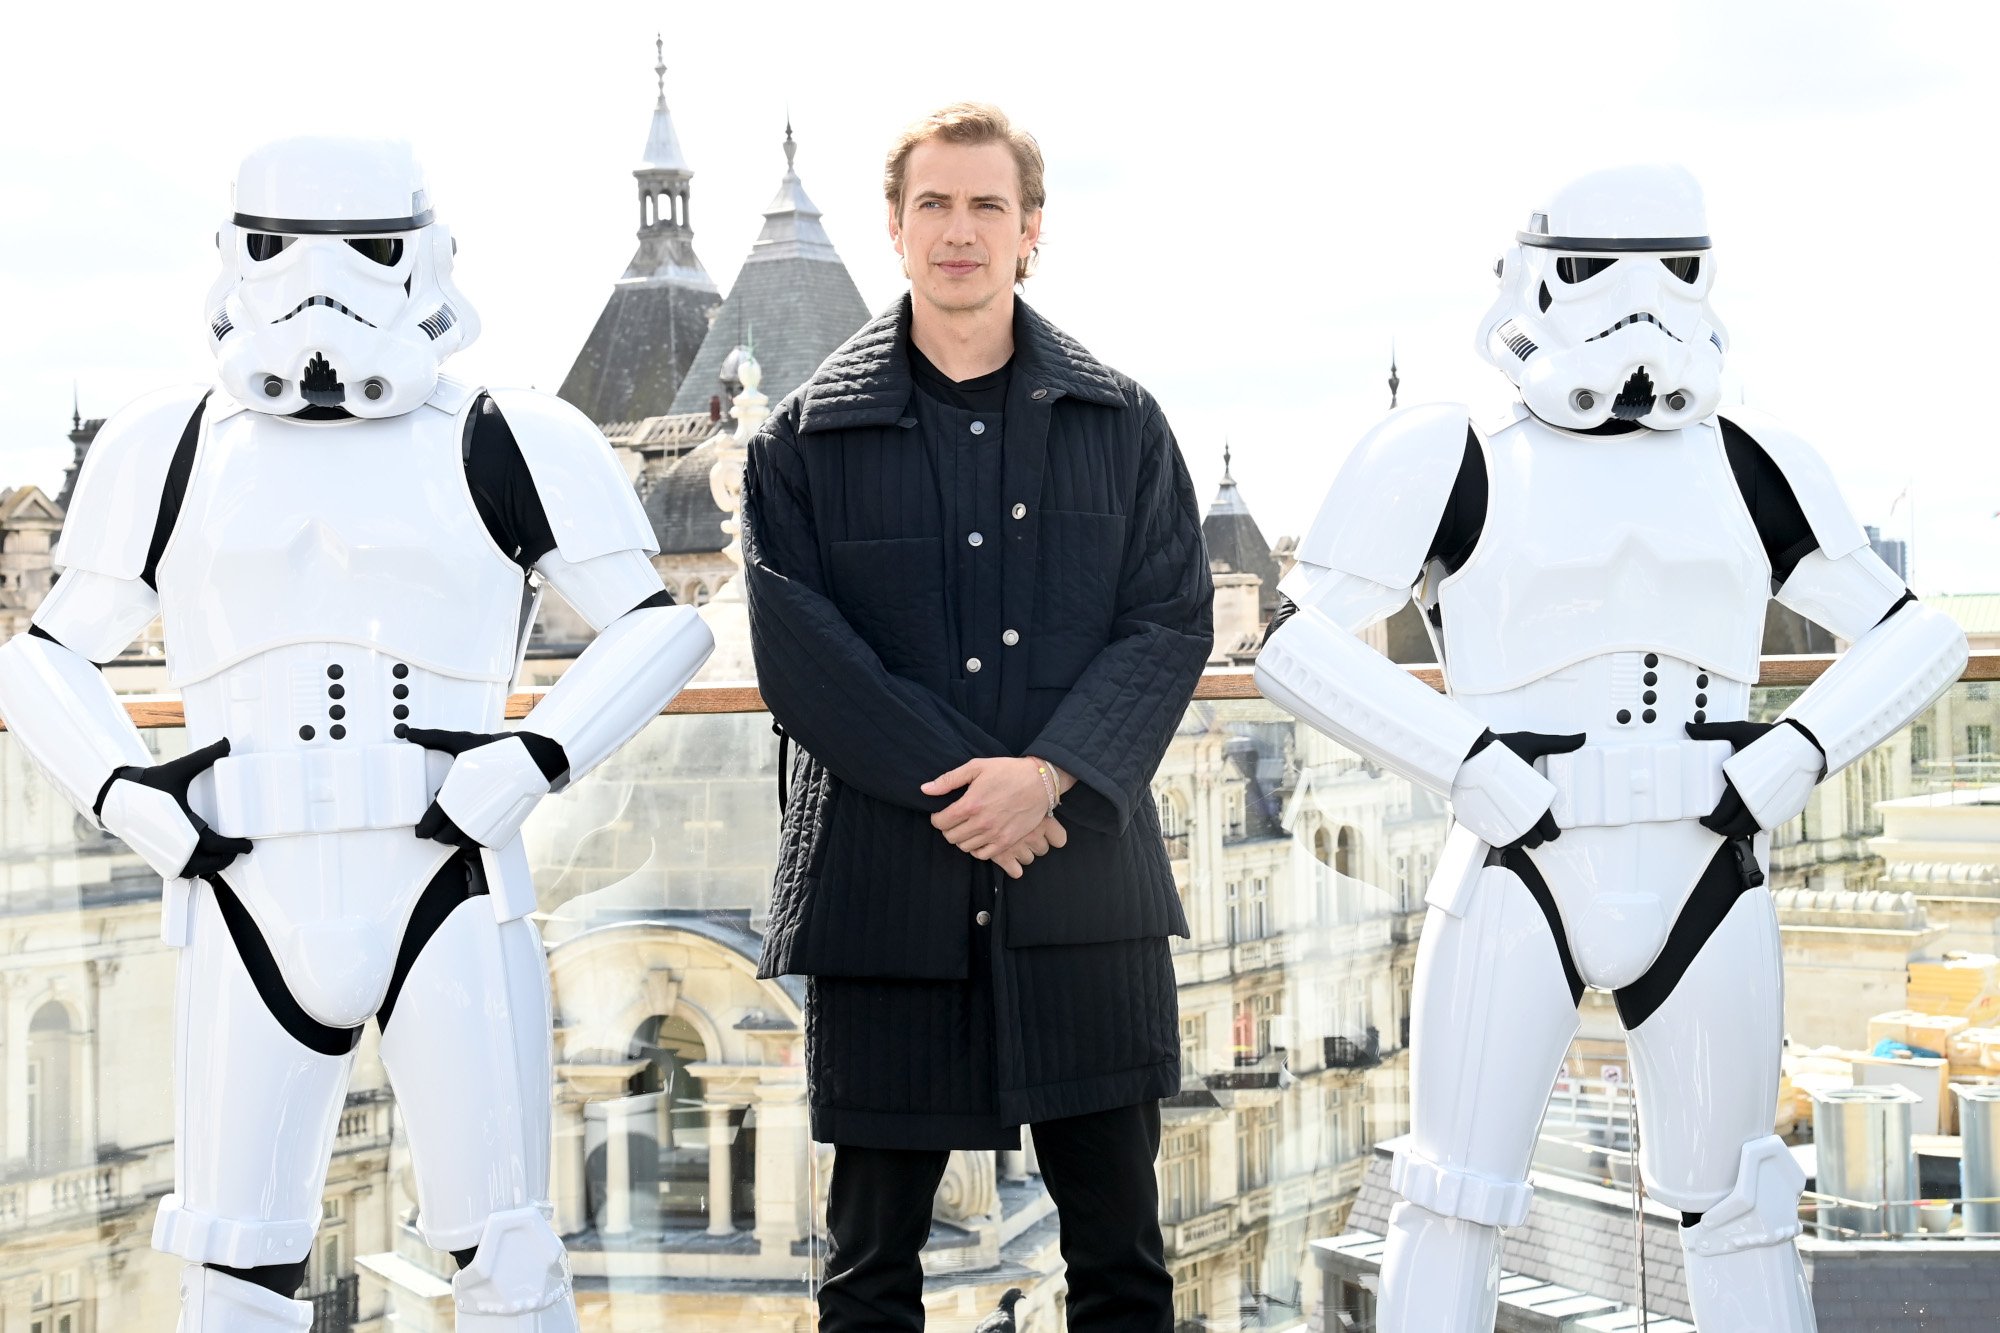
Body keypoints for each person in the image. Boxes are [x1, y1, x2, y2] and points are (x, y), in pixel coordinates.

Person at [0, 136, 714, 1332]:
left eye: (363, 249)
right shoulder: (165, 444)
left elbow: (661, 631)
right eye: (282, 249)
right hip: (248, 879)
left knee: (504, 1248)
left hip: (442, 873)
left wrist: (530, 758)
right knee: (236, 1261)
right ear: (237, 253)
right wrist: (129, 795)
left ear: (422, 255)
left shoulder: (511, 433)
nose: (318, 286)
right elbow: (44, 657)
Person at [1256, 164, 1968, 1332]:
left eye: (1671, 267)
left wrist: (1793, 749)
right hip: (1515, 864)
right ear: (1535, 275)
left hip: (1703, 857)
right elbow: (1294, 647)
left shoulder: (1752, 460)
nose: (1638, 302)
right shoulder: (1443, 452)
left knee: (1735, 1205)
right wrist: (1467, 762)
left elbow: (1919, 635)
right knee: (1450, 1201)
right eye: (1598, 267)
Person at [741, 102, 1212, 1331]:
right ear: (894, 232)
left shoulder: (1125, 424)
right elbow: (802, 657)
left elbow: (1168, 623)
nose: (960, 231)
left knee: (1120, 1263)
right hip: (884, 903)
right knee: (866, 1271)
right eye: (934, 206)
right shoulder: (793, 442)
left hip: (1082, 900)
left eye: (986, 206)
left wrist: (1047, 775)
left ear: (1030, 232)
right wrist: (987, 787)